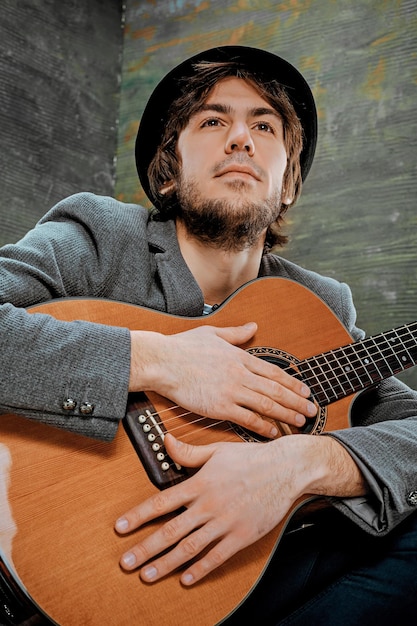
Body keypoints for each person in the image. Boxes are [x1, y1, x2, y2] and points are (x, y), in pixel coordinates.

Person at [1, 45, 416, 625]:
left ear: (288, 184)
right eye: (214, 120)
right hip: (47, 572)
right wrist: (160, 361)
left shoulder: (321, 307)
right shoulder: (100, 236)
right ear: (169, 172)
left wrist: (302, 465)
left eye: (264, 125)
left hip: (232, 585)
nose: (240, 138)